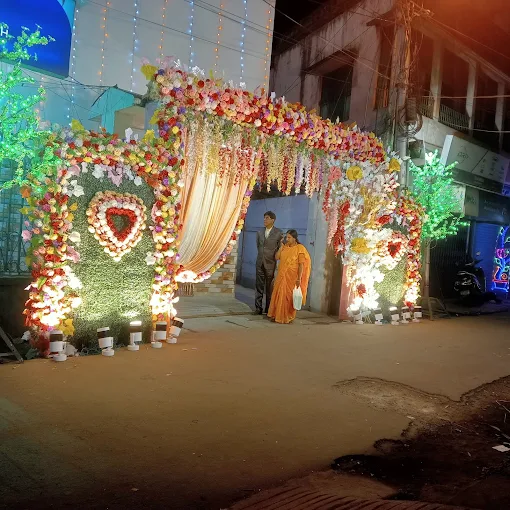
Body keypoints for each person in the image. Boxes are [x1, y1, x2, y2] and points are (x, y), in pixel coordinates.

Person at [268, 230, 311, 324]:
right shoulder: (285, 247)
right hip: (281, 275)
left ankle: (287, 316)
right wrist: (281, 247)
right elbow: (277, 257)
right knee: (278, 295)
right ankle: (276, 315)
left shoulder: (300, 248)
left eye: (289, 237)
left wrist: (299, 278)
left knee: (288, 297)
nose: (287, 239)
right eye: (286, 237)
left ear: (294, 238)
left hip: (292, 277)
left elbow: (301, 265)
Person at [255, 211, 283, 315]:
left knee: (269, 288)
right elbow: (258, 246)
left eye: (267, 218)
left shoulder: (278, 233)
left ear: (273, 220)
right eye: (264, 218)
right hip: (260, 262)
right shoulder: (259, 232)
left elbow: (280, 248)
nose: (264, 220)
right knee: (259, 286)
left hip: (271, 263)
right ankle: (258, 308)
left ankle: (268, 309)